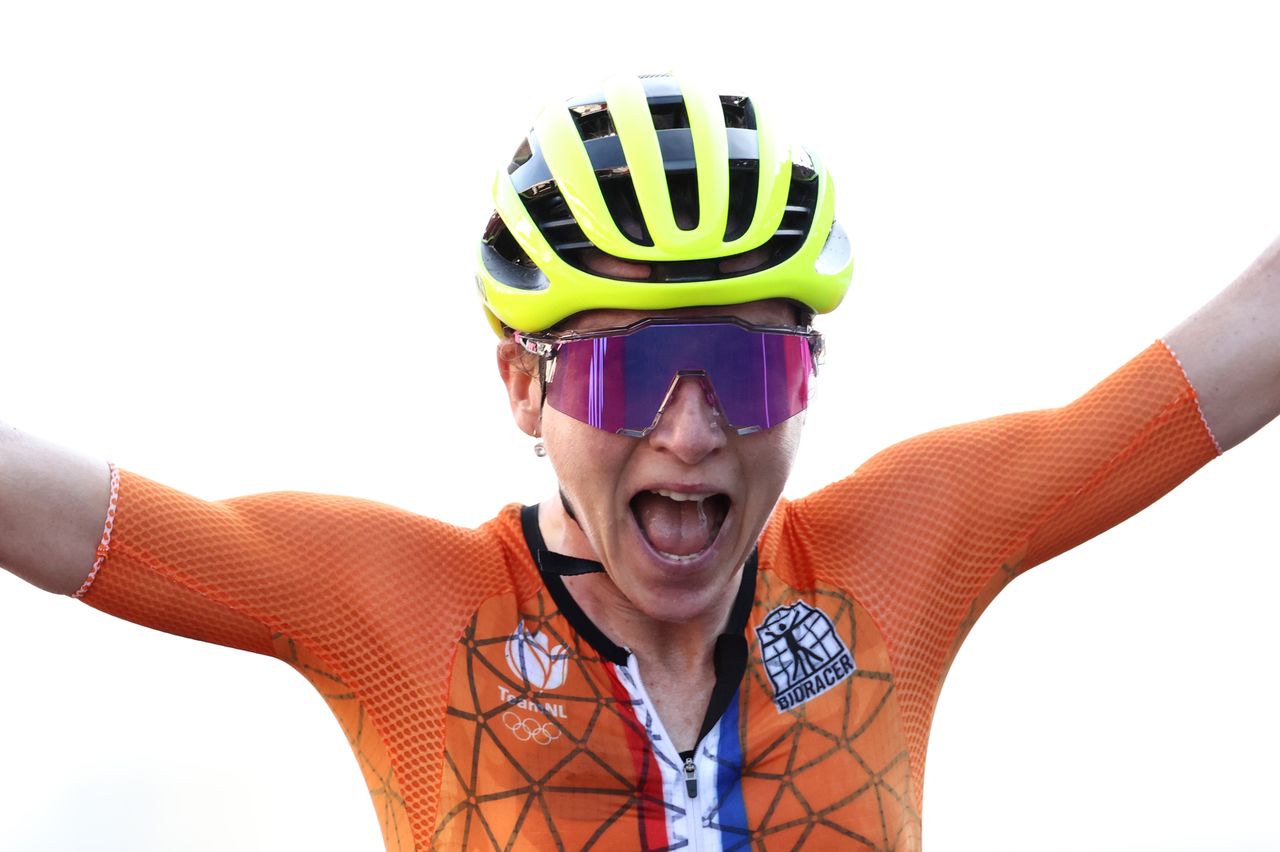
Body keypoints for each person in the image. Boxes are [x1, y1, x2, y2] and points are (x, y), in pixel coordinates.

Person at [1, 71, 1276, 851]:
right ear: (523, 385)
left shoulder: (894, 556)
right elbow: (68, 521)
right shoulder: (406, 607)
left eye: (744, 369)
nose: (689, 432)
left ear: (808, 377)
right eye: (626, 372)